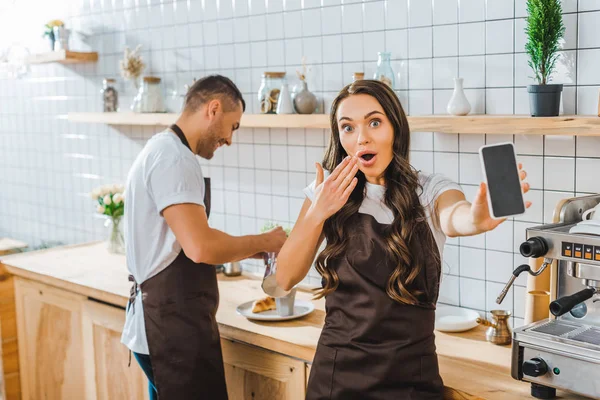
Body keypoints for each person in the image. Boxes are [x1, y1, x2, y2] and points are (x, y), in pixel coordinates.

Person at [274, 80, 531, 399]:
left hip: (411, 383)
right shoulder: (327, 193)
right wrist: (317, 212)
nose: (361, 137)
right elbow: (283, 278)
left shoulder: (431, 190)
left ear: (396, 126)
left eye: (374, 122)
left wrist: (477, 219)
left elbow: (456, 218)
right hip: (337, 379)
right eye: (347, 127)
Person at [121, 75, 287, 400]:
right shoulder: (175, 159)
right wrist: (264, 241)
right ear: (214, 109)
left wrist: (251, 250)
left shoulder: (162, 148)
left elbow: (185, 241)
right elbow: (200, 247)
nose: (229, 139)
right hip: (170, 329)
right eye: (233, 126)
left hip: (164, 324)